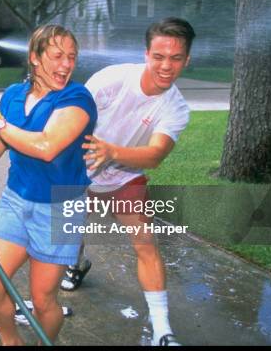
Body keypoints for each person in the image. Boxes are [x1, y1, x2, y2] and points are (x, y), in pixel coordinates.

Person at [61, 17, 195, 346]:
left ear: (187, 60)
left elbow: (154, 155)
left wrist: (111, 152)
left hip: (125, 177)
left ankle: (163, 330)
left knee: (146, 244)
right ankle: (76, 265)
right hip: (80, 171)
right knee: (70, 232)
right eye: (159, 56)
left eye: (176, 58)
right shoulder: (113, 78)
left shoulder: (176, 108)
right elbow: (70, 115)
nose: (167, 66)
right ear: (146, 54)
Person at [0, 24, 97, 345]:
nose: (66, 64)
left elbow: (47, 147)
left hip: (62, 205)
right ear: (35, 58)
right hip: (15, 199)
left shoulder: (77, 97)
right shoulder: (13, 95)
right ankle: (11, 340)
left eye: (72, 56)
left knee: (43, 301)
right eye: (57, 55)